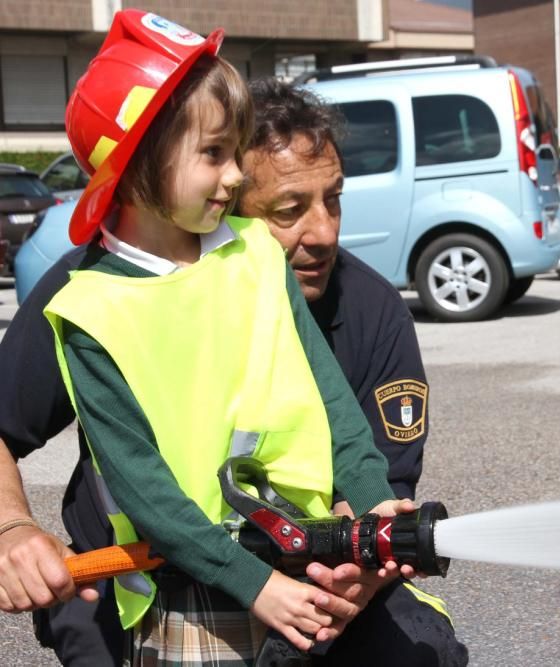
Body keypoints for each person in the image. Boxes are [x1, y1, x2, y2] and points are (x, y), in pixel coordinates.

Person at [0, 10, 451, 665]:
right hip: (168, 580)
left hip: (301, 570)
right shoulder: (91, 305)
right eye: (215, 154)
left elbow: (345, 424)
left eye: (335, 199)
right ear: (141, 168)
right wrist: (13, 528)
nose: (236, 176)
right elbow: (144, 489)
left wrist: (377, 521)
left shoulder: (282, 270)